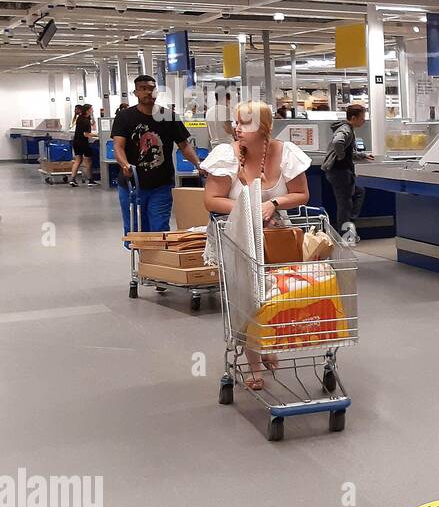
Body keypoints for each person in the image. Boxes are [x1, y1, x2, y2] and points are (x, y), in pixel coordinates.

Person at [201, 101, 311, 390]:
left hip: (274, 236)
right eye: (236, 122)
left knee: (274, 295)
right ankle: (254, 365)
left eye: (245, 123)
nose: (237, 128)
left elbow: (301, 194)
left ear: (263, 128)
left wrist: (273, 203)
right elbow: (211, 200)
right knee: (247, 295)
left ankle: (268, 343)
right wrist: (248, 208)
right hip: (236, 235)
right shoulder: (226, 155)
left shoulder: (286, 153)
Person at [112, 75, 203, 238]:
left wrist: (198, 164)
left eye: (152, 88)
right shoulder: (124, 117)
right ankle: (143, 261)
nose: (148, 92)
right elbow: (118, 146)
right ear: (136, 93)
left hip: (161, 185)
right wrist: (125, 165)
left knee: (160, 229)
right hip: (132, 185)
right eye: (143, 88)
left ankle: (156, 262)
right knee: (136, 231)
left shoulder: (169, 116)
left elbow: (184, 145)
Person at [322, 104, 373, 245]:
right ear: (353, 117)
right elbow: (338, 142)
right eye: (362, 118)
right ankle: (346, 236)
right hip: (340, 172)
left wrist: (362, 155)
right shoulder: (345, 130)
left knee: (357, 193)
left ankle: (348, 225)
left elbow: (348, 151)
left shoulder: (348, 129)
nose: (364, 121)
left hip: (339, 171)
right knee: (345, 204)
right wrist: (341, 156)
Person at [68, 104, 99, 187]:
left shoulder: (79, 118)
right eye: (91, 109)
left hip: (76, 142)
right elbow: (86, 134)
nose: (93, 110)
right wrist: (97, 136)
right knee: (88, 162)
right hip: (83, 143)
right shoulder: (85, 121)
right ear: (88, 110)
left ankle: (72, 179)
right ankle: (90, 180)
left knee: (78, 160)